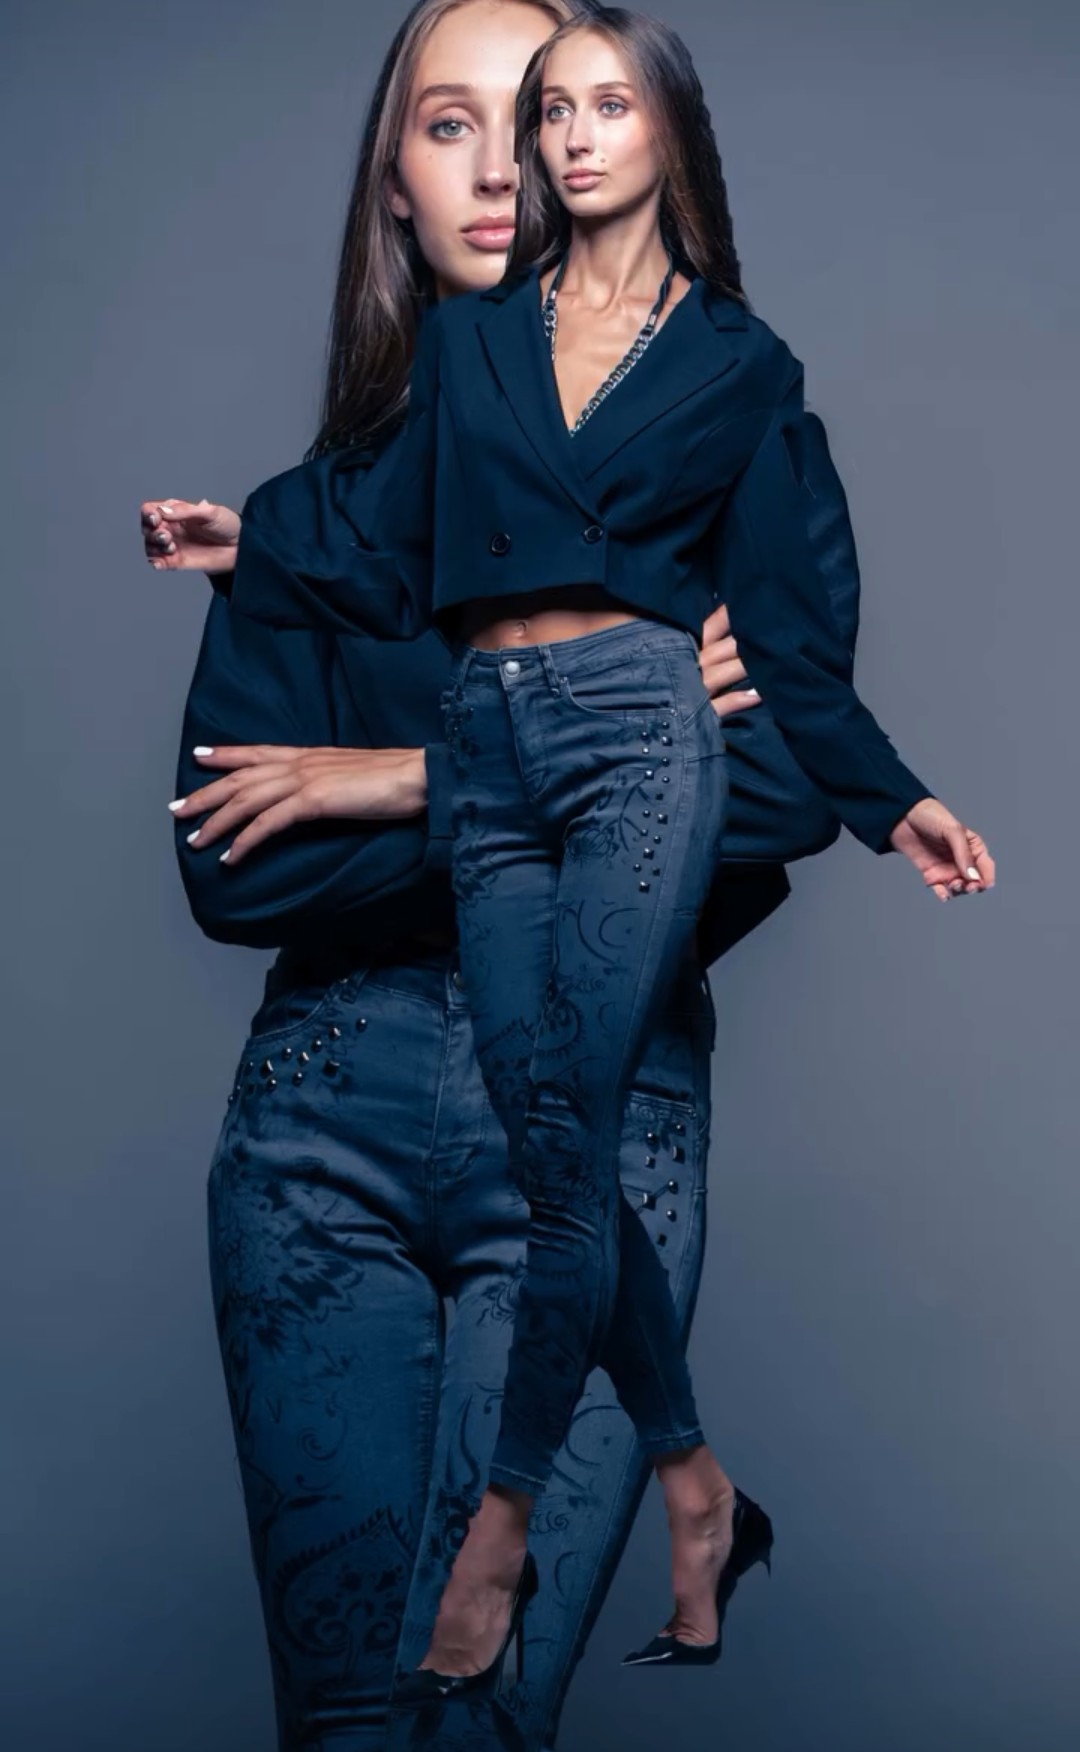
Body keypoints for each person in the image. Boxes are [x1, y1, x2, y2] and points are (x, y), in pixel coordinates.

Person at [170, 3, 995, 1707]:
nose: (516, 161)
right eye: (452, 124)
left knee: (478, 1718)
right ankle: (704, 1494)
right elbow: (235, 867)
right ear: (393, 188)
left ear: (644, 143)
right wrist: (608, 744)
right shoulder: (322, 514)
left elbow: (772, 800)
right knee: (349, 1718)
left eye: (556, 109)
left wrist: (405, 778)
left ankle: (664, 1504)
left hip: (604, 1114)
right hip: (323, 1129)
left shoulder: (728, 416)